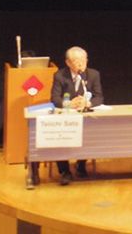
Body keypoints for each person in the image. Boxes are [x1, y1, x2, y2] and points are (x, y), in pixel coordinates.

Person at [51, 46, 104, 185]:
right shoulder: (59, 75)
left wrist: (88, 103)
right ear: (68, 62)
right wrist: (68, 104)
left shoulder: (93, 74)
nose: (81, 63)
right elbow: (55, 99)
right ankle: (65, 171)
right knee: (60, 138)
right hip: (65, 118)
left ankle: (81, 165)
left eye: (83, 60)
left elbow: (99, 97)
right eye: (76, 60)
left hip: (84, 116)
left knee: (88, 134)